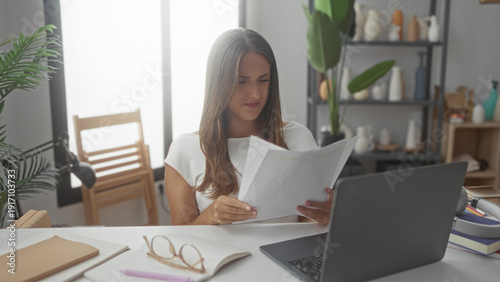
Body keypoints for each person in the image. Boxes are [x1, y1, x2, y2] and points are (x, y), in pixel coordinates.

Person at [164, 28, 333, 226]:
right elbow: (181, 241)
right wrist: (210, 216)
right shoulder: (185, 150)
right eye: (241, 82)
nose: (255, 94)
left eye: (263, 80)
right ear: (218, 85)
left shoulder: (297, 137)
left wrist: (328, 215)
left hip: (282, 256)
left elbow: (308, 224)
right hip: (224, 257)